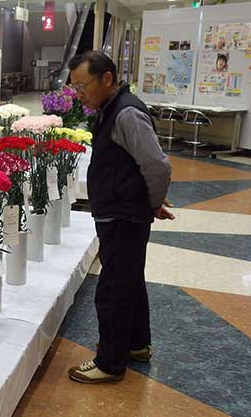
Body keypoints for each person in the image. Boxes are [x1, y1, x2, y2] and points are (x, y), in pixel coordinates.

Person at [66, 51, 174, 384]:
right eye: (75, 88)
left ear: (108, 79)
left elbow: (157, 165)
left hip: (123, 215)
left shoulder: (126, 113)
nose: (79, 94)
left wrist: (153, 202)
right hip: (124, 209)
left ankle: (111, 363)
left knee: (113, 288)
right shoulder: (111, 107)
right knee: (129, 281)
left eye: (83, 86)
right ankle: (136, 344)